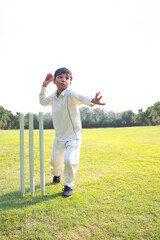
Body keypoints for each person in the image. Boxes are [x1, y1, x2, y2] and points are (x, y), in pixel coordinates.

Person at [39, 67, 105, 197]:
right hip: (59, 137)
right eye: (60, 77)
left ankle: (69, 185)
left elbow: (82, 97)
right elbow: (42, 101)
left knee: (69, 161)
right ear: (55, 80)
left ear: (70, 82)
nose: (63, 80)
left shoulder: (70, 94)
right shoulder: (53, 97)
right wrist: (44, 85)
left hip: (73, 136)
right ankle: (57, 174)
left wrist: (93, 101)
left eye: (67, 78)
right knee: (55, 163)